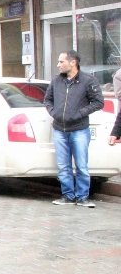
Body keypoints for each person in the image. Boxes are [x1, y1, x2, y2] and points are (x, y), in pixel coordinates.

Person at [44, 50, 103, 207]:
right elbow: (47, 100)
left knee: (81, 165)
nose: (58, 65)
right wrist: (53, 112)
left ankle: (82, 197)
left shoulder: (88, 81)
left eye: (61, 62)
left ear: (73, 62)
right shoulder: (56, 81)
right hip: (59, 130)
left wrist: (80, 114)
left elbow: (98, 102)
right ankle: (68, 196)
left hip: (79, 130)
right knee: (63, 166)